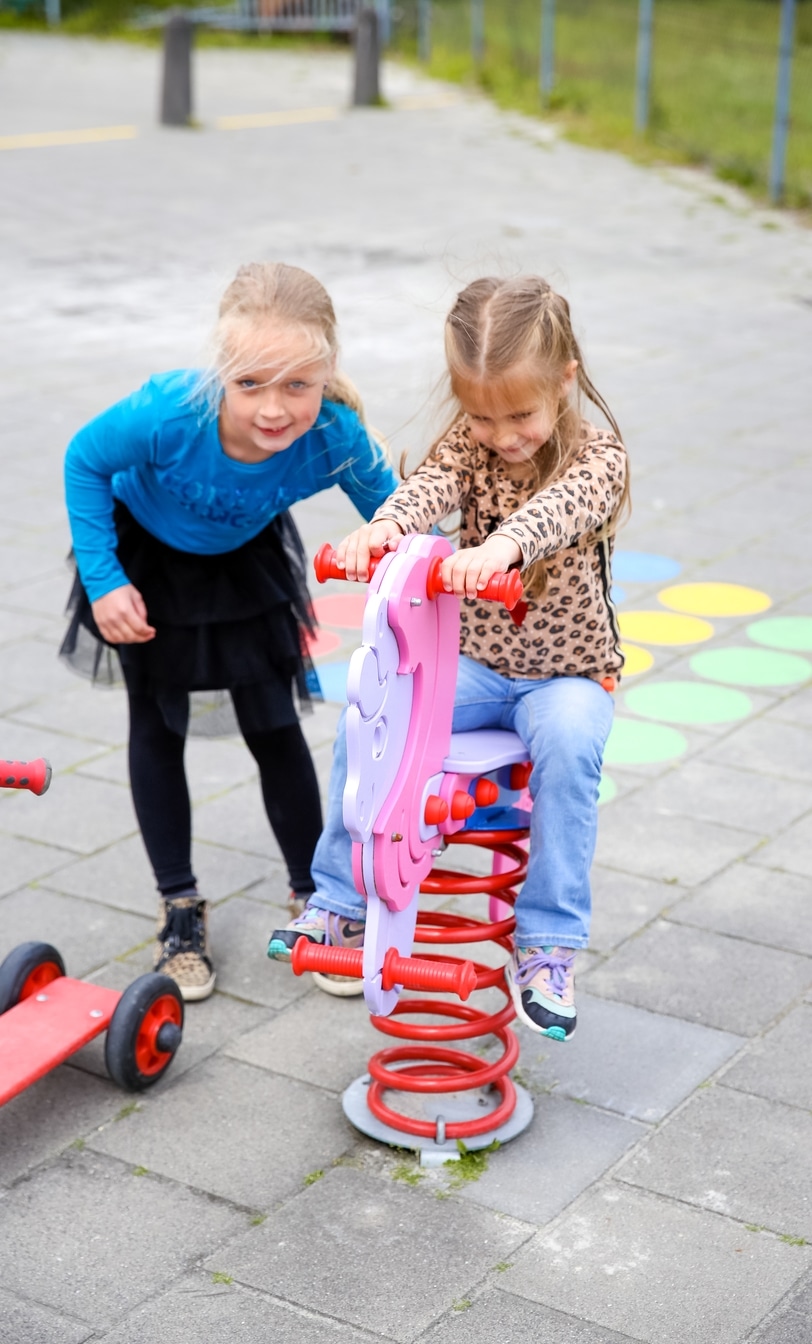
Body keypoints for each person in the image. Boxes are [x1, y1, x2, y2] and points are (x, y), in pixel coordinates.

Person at [269, 274, 629, 1037]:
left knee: (570, 747)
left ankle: (549, 944)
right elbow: (428, 484)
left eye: (521, 414)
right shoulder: (470, 443)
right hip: (475, 666)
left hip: (564, 675)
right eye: (482, 416)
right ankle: (336, 897)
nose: (503, 436)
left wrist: (501, 545)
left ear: (564, 379)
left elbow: (563, 510)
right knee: (371, 710)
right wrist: (387, 528)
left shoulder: (598, 456)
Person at [61, 261, 398, 1002]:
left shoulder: (335, 436)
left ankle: (319, 899)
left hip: (246, 565)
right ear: (222, 371)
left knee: (275, 726)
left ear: (327, 372)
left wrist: (434, 573)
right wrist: (104, 578)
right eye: (250, 385)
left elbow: (402, 514)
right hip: (145, 559)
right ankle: (179, 908)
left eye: (296, 386)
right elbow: (84, 459)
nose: (273, 410)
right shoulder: (170, 412)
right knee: (157, 726)